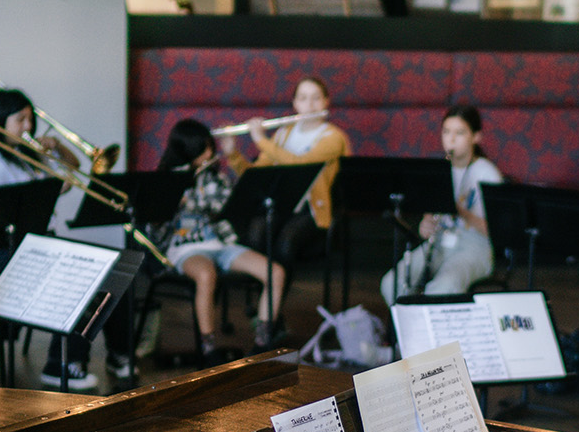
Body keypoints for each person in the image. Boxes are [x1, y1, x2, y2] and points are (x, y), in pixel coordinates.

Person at [0, 87, 130, 389]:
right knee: (86, 277)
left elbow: (71, 175)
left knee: (116, 267)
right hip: (14, 250)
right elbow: (15, 210)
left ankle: (119, 354)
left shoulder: (25, 154)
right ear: (0, 121)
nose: (29, 126)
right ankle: (62, 363)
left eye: (30, 119)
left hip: (42, 242)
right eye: (20, 119)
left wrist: (57, 146)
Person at [156, 119, 287, 358]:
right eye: (201, 149)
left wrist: (231, 154)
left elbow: (229, 203)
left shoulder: (216, 177)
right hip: (185, 247)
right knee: (206, 275)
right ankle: (209, 349)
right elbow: (155, 222)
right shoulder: (167, 180)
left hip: (220, 242)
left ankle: (263, 343)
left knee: (275, 272)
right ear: (186, 151)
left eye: (210, 146)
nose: (208, 153)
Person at [379, 105, 504, 307]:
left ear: (476, 137)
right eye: (446, 132)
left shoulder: (487, 173)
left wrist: (458, 210)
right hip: (439, 242)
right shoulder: (439, 169)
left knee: (442, 289)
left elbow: (497, 231)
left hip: (474, 246)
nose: (451, 140)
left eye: (459, 133)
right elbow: (427, 222)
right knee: (391, 284)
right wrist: (425, 226)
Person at [229, 76, 351, 270]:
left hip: (311, 210)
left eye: (316, 98)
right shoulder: (284, 133)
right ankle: (262, 292)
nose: (310, 105)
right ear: (295, 103)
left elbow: (300, 164)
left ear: (326, 101)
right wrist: (232, 153)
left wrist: (261, 139)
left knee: (286, 244)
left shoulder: (334, 137)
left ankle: (274, 295)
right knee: (255, 235)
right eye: (302, 98)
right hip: (281, 205)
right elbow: (255, 174)